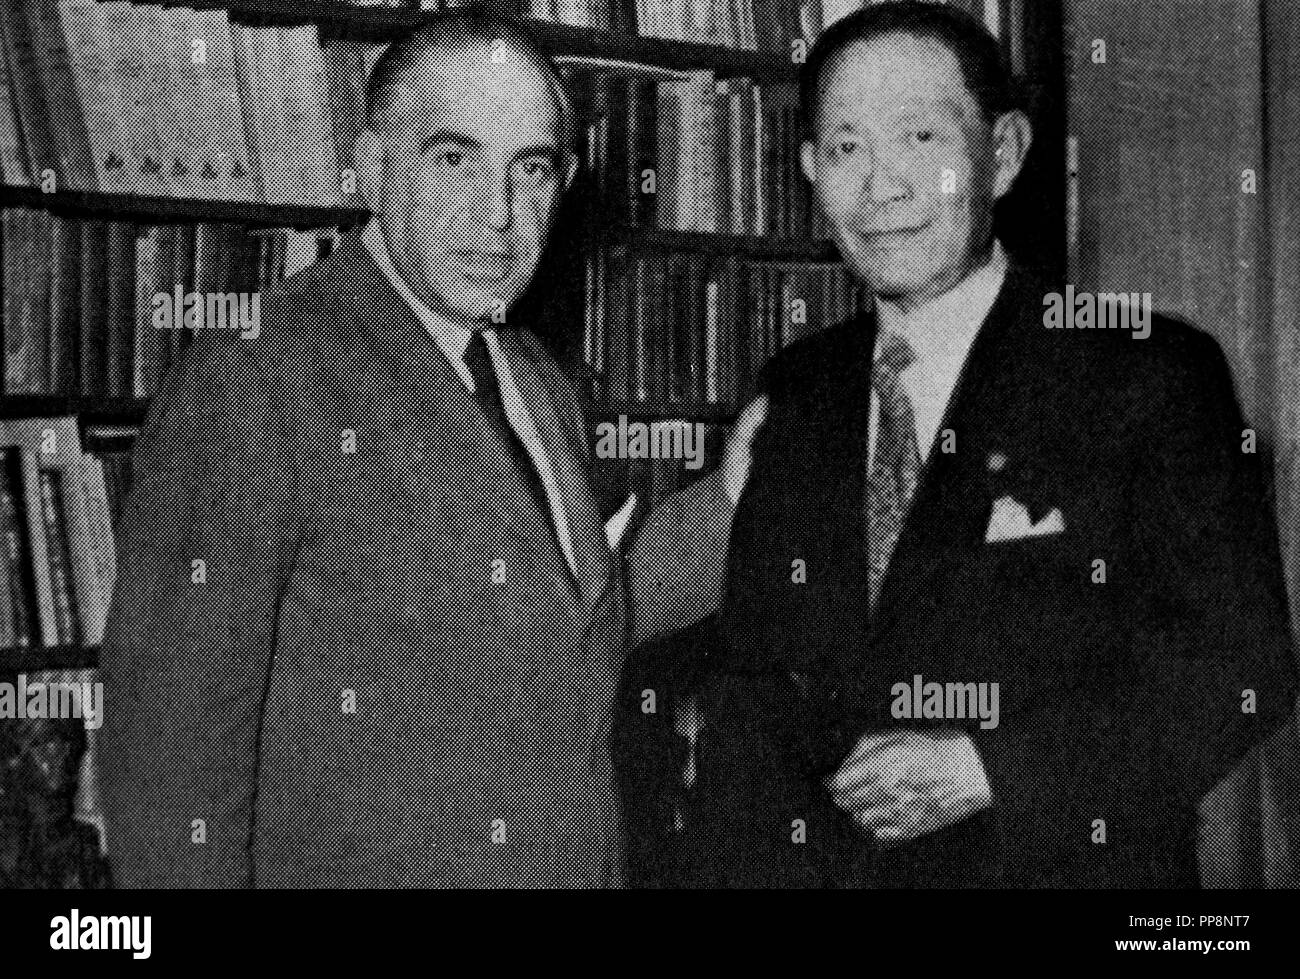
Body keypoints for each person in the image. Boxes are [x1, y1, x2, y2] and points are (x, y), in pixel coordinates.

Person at [98, 12, 754, 888]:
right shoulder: (255, 377)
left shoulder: (531, 375)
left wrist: (730, 504)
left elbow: (567, 629)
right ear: (373, 169)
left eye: (531, 169)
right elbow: (166, 759)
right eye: (455, 159)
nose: (498, 214)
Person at [691, 1, 1298, 887]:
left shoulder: (1146, 371)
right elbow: (754, 681)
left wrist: (985, 768)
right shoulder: (799, 387)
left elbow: (1240, 668)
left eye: (921, 138)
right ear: (812, 172)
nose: (882, 186)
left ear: (1003, 155)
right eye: (848, 149)